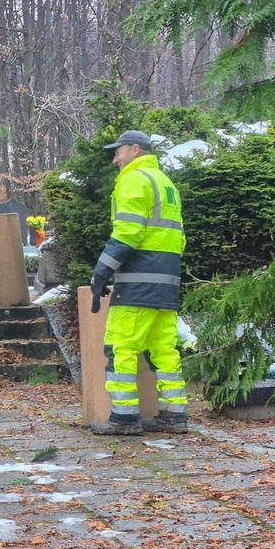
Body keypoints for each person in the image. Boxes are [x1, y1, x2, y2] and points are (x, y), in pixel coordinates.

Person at [89, 130, 189, 435]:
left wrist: (101, 271)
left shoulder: (134, 179)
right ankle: (175, 415)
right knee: (164, 350)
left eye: (118, 151)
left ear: (134, 150)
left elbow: (129, 232)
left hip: (138, 281)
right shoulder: (165, 183)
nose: (114, 158)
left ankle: (124, 418)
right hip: (167, 280)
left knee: (120, 346)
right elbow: (177, 237)